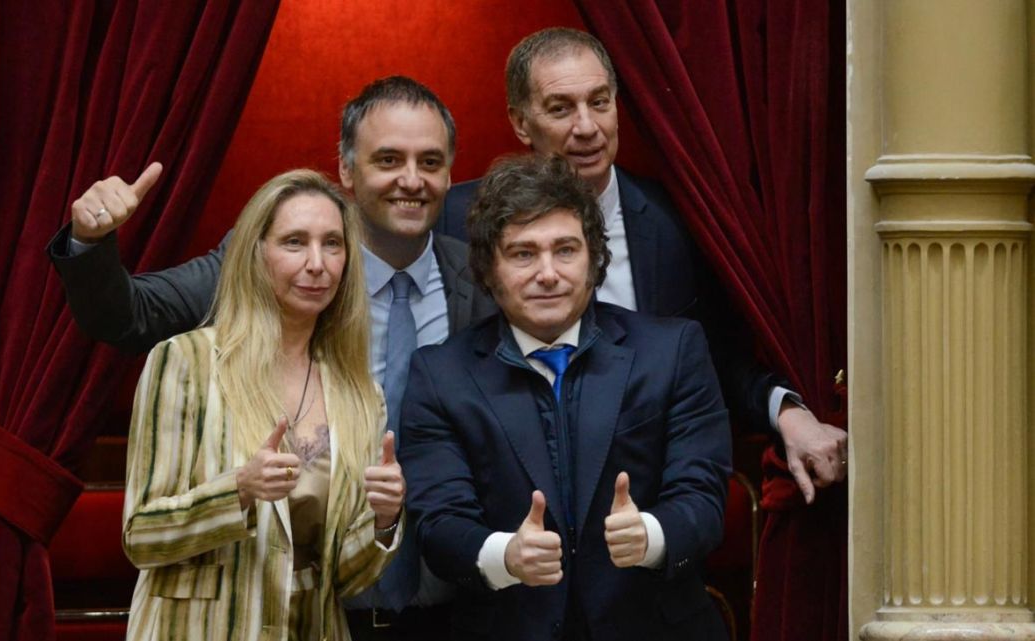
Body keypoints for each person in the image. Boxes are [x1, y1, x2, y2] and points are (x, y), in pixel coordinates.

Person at [48, 76, 496, 639]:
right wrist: (91, 241)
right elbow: (128, 314)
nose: (411, 179)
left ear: (451, 173)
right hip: (254, 612)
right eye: (388, 159)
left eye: (429, 161)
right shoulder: (247, 279)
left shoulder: (487, 282)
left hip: (441, 605)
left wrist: (386, 521)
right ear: (347, 169)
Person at [436, 27, 847, 502]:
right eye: (561, 109)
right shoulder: (456, 221)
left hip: (650, 500)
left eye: (599, 102)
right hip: (505, 505)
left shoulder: (680, 219)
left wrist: (789, 412)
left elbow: (721, 357)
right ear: (521, 122)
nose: (587, 127)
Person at [400, 155, 731, 641]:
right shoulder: (441, 374)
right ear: (489, 269)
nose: (548, 273)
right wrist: (506, 555)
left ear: (594, 260)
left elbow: (702, 496)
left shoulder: (672, 350)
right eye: (523, 254)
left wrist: (652, 534)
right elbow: (440, 522)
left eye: (566, 250)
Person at [121, 169, 402, 639]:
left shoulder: (360, 394)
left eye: (333, 244)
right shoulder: (186, 361)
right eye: (295, 242)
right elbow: (141, 537)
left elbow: (346, 579)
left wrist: (385, 520)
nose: (317, 263)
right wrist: (239, 490)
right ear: (256, 253)